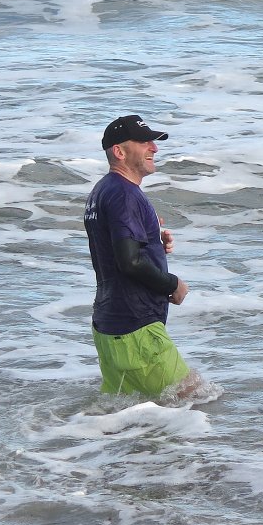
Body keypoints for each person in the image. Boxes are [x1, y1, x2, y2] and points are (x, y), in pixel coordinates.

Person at [84, 115, 203, 399]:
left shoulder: (102, 191)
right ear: (120, 152)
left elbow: (115, 249)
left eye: (153, 141)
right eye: (144, 142)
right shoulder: (125, 195)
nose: (154, 148)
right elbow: (130, 263)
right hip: (136, 329)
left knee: (125, 418)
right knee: (197, 401)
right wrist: (172, 284)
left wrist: (151, 240)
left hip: (110, 326)